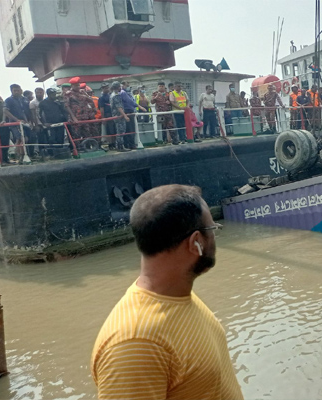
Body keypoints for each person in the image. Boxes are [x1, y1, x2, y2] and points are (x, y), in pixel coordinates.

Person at [91, 184, 244, 400]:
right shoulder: (136, 345)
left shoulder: (178, 295)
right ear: (196, 242)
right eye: (212, 229)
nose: (215, 237)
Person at [4, 83, 34, 161]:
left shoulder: (25, 99)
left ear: (20, 90)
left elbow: (28, 111)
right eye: (15, 90)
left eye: (18, 90)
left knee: (27, 138)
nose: (16, 92)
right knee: (20, 138)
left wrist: (31, 121)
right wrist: (16, 120)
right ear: (11, 91)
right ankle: (19, 156)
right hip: (15, 123)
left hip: (26, 122)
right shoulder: (8, 100)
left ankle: (25, 155)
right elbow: (5, 111)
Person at [110, 81, 133, 151]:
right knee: (121, 131)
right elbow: (119, 107)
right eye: (120, 86)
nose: (121, 88)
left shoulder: (112, 94)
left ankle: (119, 146)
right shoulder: (116, 95)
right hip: (119, 115)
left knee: (119, 131)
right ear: (117, 87)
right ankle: (120, 147)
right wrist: (125, 116)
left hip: (115, 114)